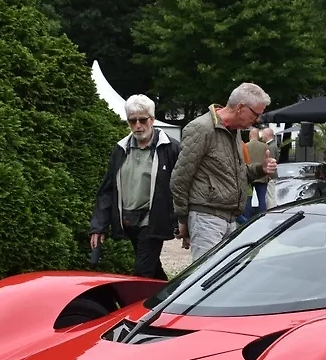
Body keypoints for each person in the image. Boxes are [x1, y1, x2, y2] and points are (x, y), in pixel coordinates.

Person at [170, 82, 277, 259]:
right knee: (206, 277)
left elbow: (236, 174)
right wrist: (183, 219)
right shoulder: (201, 128)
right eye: (256, 114)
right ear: (241, 108)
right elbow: (179, 178)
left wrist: (261, 169)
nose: (257, 120)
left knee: (223, 278)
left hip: (229, 218)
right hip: (207, 217)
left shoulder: (233, 131)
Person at [90, 94, 180, 280]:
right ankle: (167, 297)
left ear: (152, 120)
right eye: (132, 121)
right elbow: (108, 189)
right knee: (152, 268)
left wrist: (183, 221)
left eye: (142, 120)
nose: (138, 125)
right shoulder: (121, 149)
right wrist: (99, 226)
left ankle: (142, 307)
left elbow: (183, 185)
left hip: (153, 219)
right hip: (129, 220)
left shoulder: (170, 148)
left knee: (142, 271)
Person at [244, 127, 271, 218]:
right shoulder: (265, 146)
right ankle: (262, 217)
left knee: (248, 199)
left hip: (249, 177)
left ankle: (247, 219)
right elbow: (269, 160)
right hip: (262, 177)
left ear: (249, 136)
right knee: (262, 199)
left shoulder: (245, 146)